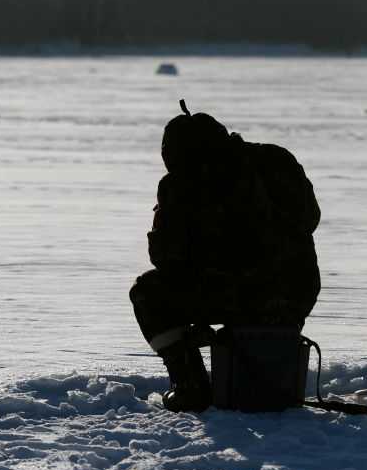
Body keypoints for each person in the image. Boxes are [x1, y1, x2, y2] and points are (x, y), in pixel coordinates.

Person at [129, 101, 321, 413]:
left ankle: (190, 387)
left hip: (240, 298)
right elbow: (311, 218)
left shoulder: (182, 182)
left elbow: (166, 258)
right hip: (298, 292)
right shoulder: (276, 159)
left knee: (147, 294)